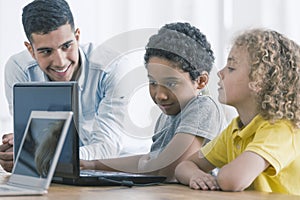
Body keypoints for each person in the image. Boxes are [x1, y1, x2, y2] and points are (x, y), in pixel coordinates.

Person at [0, 0, 145, 172]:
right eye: (46, 51)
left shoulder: (112, 67)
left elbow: (107, 148)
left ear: (77, 37)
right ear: (30, 50)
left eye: (66, 46)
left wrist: (33, 156)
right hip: (58, 174)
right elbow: (30, 140)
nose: (60, 62)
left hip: (116, 173)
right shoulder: (19, 69)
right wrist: (17, 151)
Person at [80, 22, 227, 181]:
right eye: (153, 83)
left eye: (171, 84)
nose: (159, 95)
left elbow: (166, 168)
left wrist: (148, 163)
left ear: (201, 81)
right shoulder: (167, 116)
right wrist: (93, 165)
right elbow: (151, 161)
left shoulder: (203, 108)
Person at [175, 28, 300, 195]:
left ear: (259, 82)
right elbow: (184, 166)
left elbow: (232, 180)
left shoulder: (281, 130)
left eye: (231, 68)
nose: (220, 73)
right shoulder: (235, 130)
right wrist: (196, 175)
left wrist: (217, 176)